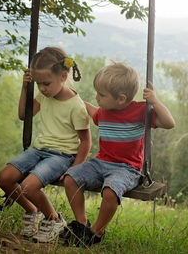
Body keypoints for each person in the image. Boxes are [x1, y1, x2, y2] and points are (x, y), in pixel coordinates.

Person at [62, 62, 175, 246]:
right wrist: (74, 98)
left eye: (101, 94)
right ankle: (82, 223)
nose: (97, 97)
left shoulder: (140, 111)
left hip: (127, 168)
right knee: (70, 179)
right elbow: (91, 110)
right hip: (100, 163)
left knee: (110, 192)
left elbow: (169, 123)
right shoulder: (105, 111)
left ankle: (95, 232)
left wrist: (155, 101)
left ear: (121, 99)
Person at [0, 47, 91, 243]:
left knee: (27, 188)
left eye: (46, 83)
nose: (42, 88)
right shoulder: (43, 96)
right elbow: (24, 115)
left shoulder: (76, 106)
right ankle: (32, 211)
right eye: (38, 84)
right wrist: (25, 88)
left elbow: (85, 142)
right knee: (5, 178)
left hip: (62, 155)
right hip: (40, 150)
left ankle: (54, 219)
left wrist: (74, 170)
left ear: (64, 76)